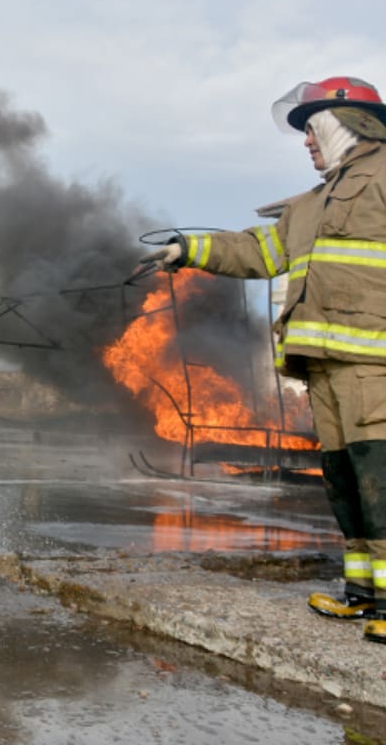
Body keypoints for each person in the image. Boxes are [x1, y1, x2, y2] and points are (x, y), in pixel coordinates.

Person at [141, 76, 386, 645]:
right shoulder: (310, 207)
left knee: (381, 478)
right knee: (347, 482)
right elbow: (258, 250)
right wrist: (188, 250)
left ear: (350, 123)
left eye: (312, 128)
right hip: (323, 364)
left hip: (375, 364)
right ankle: (363, 595)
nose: (305, 142)